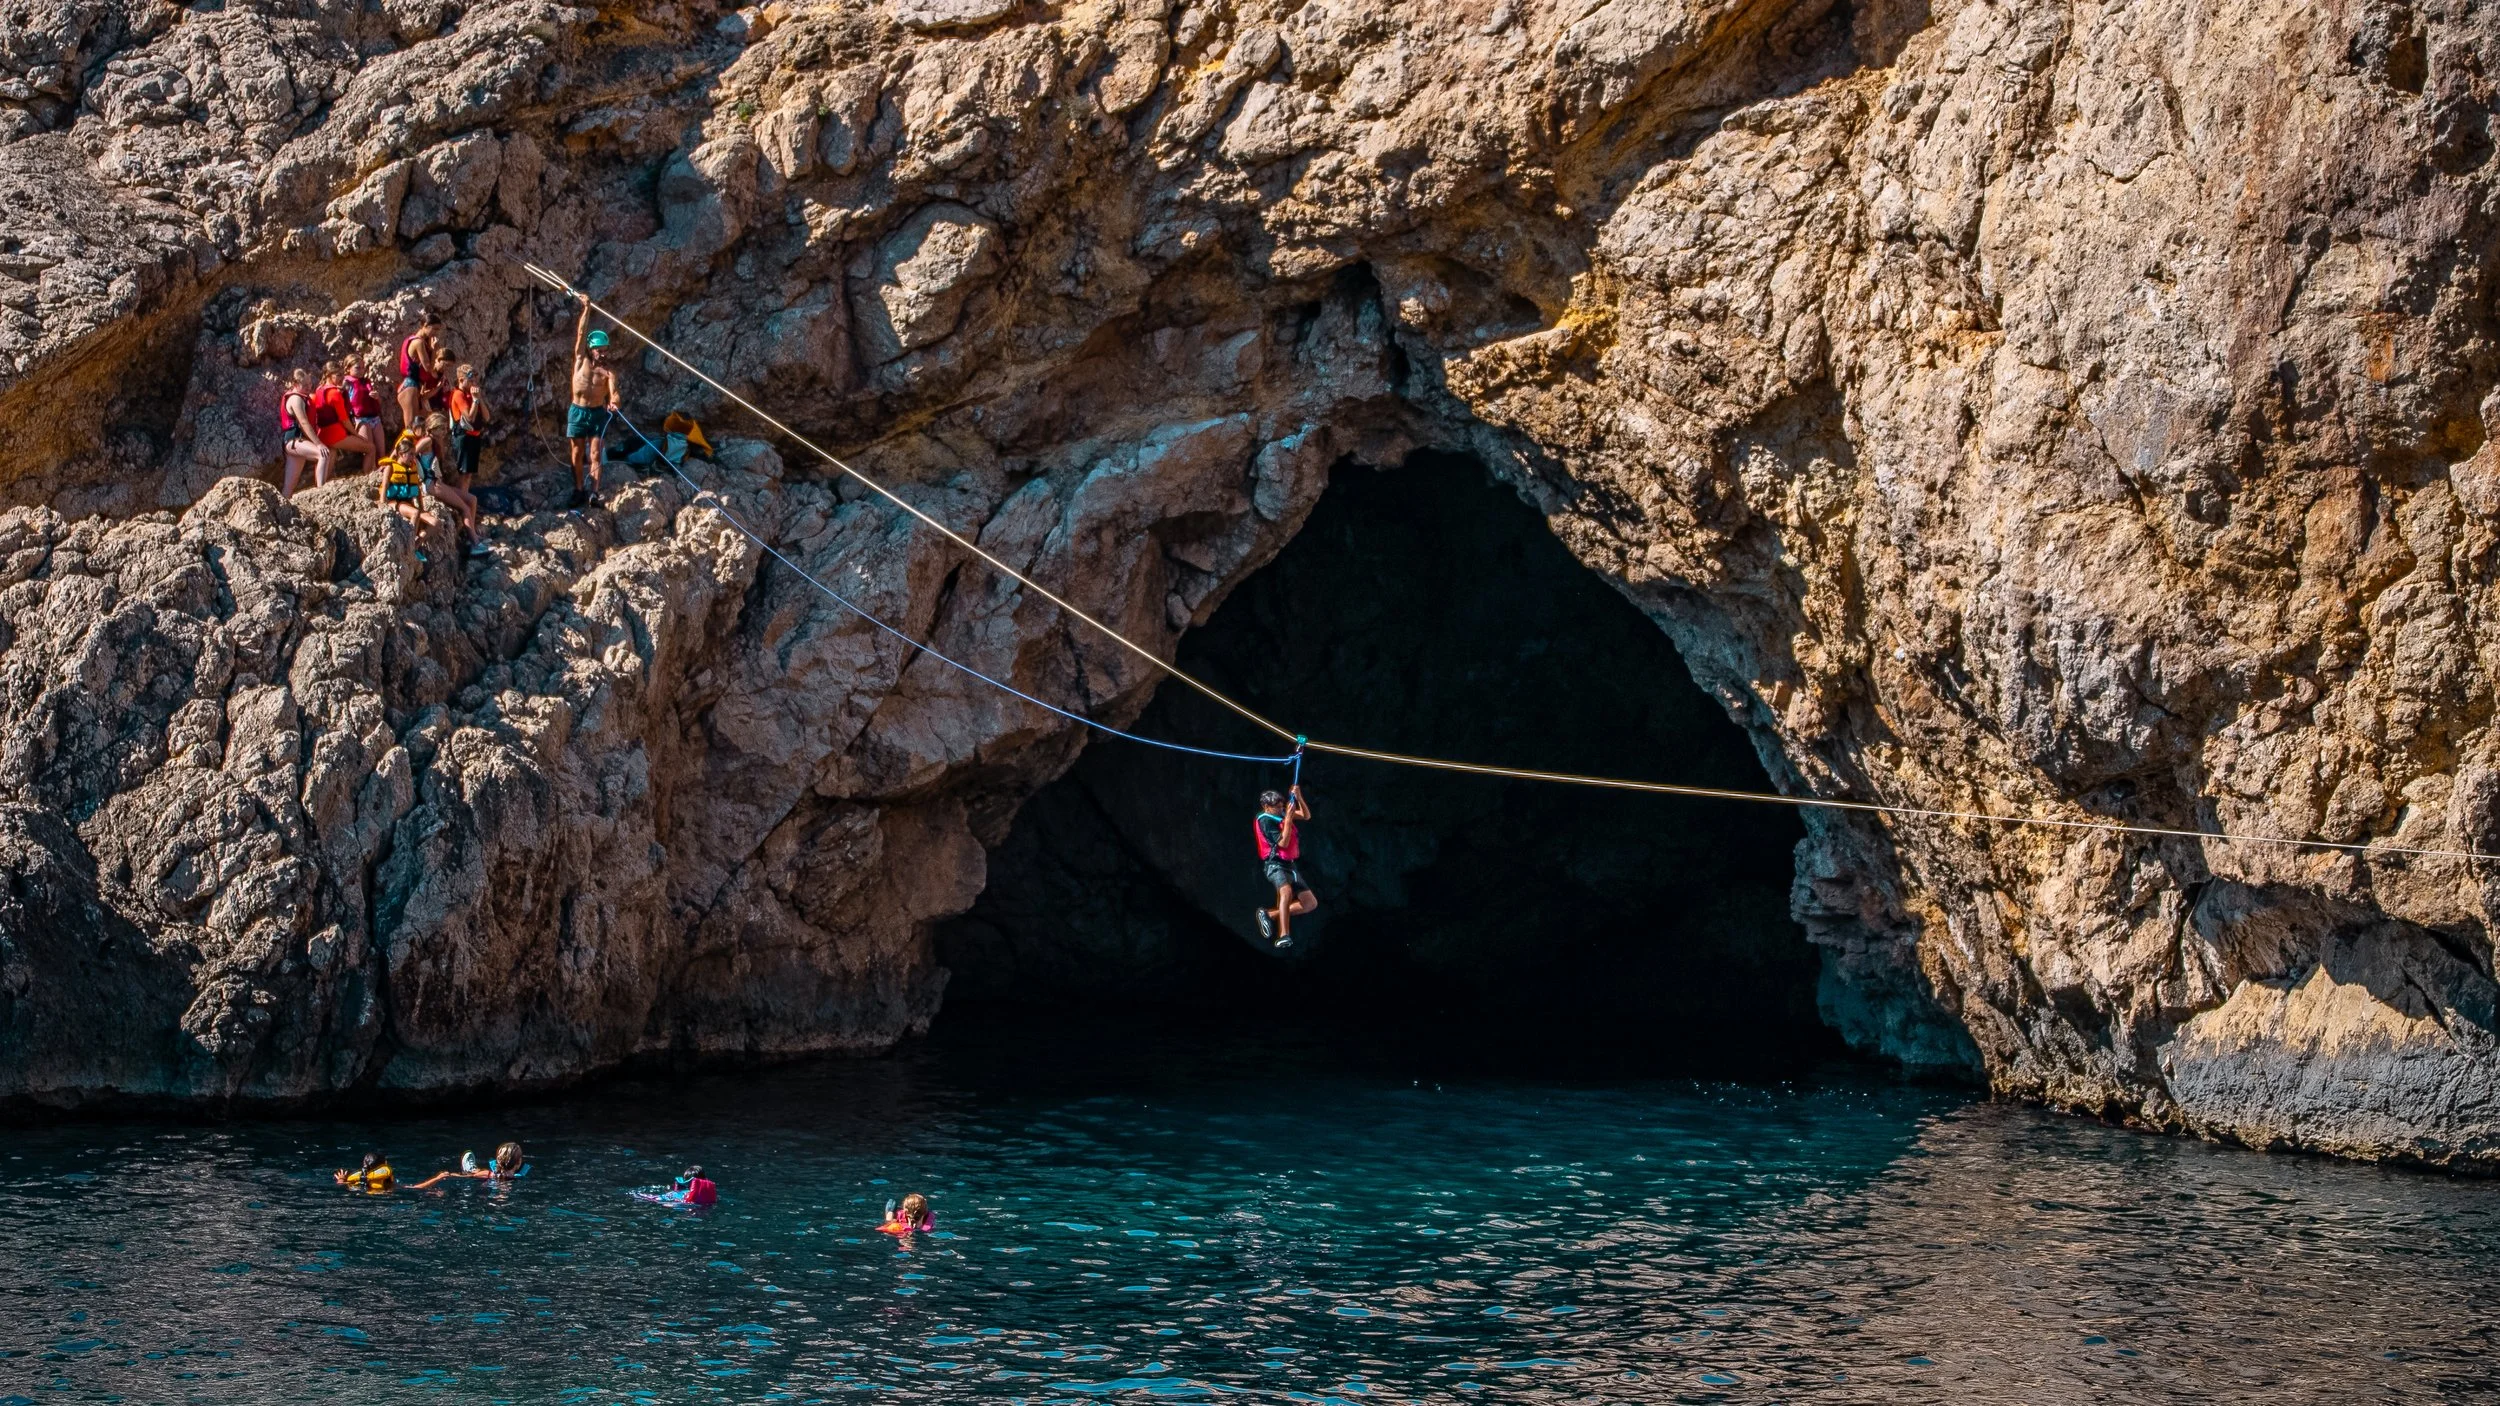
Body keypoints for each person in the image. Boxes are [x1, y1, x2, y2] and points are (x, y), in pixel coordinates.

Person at [566, 293, 620, 508]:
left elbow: (614, 393)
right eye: (600, 350)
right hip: (578, 411)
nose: (603, 354)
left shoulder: (608, 373)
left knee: (595, 453)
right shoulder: (581, 360)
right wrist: (586, 309)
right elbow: (580, 333)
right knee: (577, 453)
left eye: (606, 350)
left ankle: (594, 492)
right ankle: (579, 489)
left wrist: (614, 402)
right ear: (592, 349)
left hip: (597, 413)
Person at [1252, 784, 1316, 949]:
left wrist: (1299, 797)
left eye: (1282, 806)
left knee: (1310, 903)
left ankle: (1269, 915)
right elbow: (1283, 843)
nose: (1280, 809)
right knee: (1286, 891)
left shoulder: (1280, 814)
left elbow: (1306, 816)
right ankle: (1284, 936)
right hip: (1275, 865)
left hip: (1290, 865)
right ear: (1266, 807)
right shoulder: (1265, 820)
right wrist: (1288, 818)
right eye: (1277, 807)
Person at [436, 365, 489, 558]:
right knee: (464, 473)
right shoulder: (458, 395)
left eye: (475, 379)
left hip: (474, 437)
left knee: (469, 474)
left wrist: (479, 399)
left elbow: (486, 416)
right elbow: (468, 416)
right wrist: (474, 400)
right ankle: (462, 504)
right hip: (463, 437)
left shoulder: (470, 394)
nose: (474, 383)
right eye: (470, 380)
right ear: (461, 380)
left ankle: (467, 510)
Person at [376, 415, 441, 557]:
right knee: (415, 514)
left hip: (409, 503)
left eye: (413, 454)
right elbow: (385, 484)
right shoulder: (391, 467)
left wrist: (423, 508)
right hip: (395, 503)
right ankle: (409, 545)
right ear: (401, 454)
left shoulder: (412, 468)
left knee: (436, 523)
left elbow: (417, 490)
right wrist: (382, 504)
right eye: (411, 455)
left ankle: (416, 543)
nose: (413, 457)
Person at [278, 365, 332, 498]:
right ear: (296, 384)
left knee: (289, 487)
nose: (309, 387)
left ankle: (282, 510)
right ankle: (322, 493)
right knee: (323, 454)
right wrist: (318, 443)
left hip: (295, 443)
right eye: (305, 385)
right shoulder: (296, 399)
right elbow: (303, 422)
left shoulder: (301, 397)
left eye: (310, 383)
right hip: (294, 441)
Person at [397, 309, 448, 435]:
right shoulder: (418, 342)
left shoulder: (415, 340)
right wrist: (434, 350)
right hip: (410, 385)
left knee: (416, 427)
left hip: (414, 386)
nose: (436, 333)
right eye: (435, 329)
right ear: (426, 326)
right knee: (410, 428)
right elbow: (428, 368)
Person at [407, 1141, 529, 1190]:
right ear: (518, 1162)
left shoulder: (489, 1174)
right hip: (497, 1188)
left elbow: (459, 1178)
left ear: (498, 1160)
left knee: (471, 1175)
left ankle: (471, 1170)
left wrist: (447, 1175)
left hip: (484, 1182)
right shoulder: (520, 1179)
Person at [343, 360, 387, 465]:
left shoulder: (366, 381)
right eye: (358, 368)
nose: (361, 371)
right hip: (360, 419)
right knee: (370, 450)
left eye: (363, 368)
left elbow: (378, 402)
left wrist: (377, 397)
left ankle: (383, 472)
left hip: (375, 418)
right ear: (348, 369)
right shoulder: (347, 383)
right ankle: (369, 475)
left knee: (381, 452)